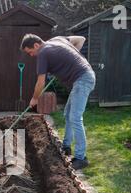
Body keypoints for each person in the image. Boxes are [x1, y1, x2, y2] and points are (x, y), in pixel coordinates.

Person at [21, 34, 96, 170]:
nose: (32, 56)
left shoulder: (43, 53)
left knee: (75, 117)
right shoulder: (57, 40)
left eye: (31, 52)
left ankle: (81, 158)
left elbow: (40, 81)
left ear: (36, 45)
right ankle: (66, 146)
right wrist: (71, 58)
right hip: (83, 77)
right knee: (68, 114)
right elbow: (81, 39)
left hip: (82, 79)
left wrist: (35, 98)